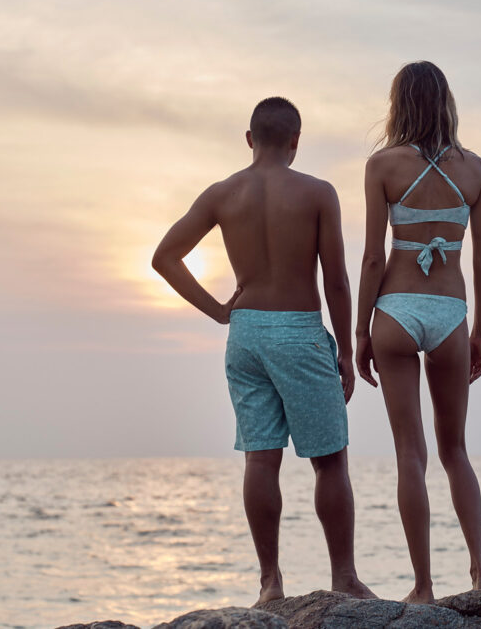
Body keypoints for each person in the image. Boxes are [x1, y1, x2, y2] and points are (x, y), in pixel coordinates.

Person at [152, 97, 375, 604]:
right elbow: (336, 280)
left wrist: (217, 311)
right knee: (330, 462)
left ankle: (270, 582)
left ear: (249, 139)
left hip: (246, 332)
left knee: (260, 458)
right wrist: (343, 350)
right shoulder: (318, 193)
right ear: (296, 142)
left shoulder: (222, 193)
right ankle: (344, 578)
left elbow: (164, 257)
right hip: (298, 328)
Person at [355, 61, 481, 603]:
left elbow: (371, 259)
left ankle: (423, 587)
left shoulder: (381, 165)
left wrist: (360, 333)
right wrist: (480, 329)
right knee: (455, 449)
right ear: (446, 103)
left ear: (398, 104)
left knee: (410, 453)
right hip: (450, 311)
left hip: (394, 307)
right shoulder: (476, 169)